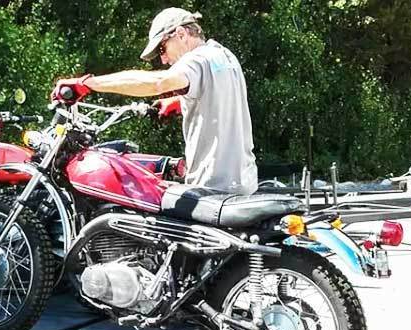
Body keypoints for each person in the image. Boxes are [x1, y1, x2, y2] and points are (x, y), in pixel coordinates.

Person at [52, 7, 258, 195]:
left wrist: (88, 83)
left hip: (214, 186)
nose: (164, 60)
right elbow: (219, 93)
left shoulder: (196, 59)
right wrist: (180, 100)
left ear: (181, 34)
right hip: (243, 181)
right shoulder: (223, 55)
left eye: (162, 49)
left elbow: (158, 83)